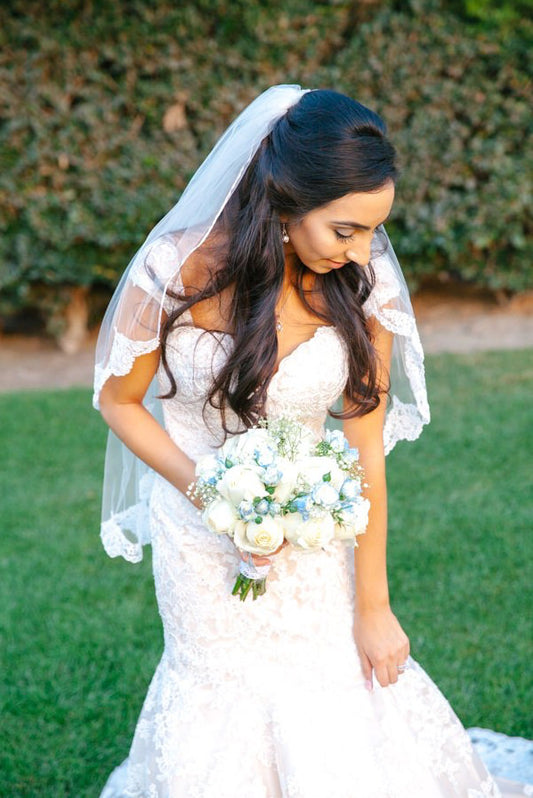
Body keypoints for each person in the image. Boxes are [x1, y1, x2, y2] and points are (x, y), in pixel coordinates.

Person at [94, 86, 526, 797]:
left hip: (313, 536)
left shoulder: (361, 286)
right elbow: (118, 401)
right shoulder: (179, 269)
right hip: (198, 537)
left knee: (327, 694)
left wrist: (374, 605)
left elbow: (363, 452)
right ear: (285, 199)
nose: (361, 251)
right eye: (345, 229)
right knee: (216, 693)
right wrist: (212, 494)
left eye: (371, 230)